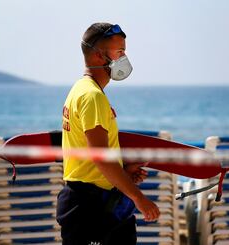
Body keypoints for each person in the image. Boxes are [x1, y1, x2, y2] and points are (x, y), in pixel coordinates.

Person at [57, 22, 160, 245]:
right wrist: (139, 198)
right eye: (120, 52)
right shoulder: (92, 96)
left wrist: (123, 173)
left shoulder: (82, 90)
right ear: (97, 55)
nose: (124, 58)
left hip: (99, 200)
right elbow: (101, 157)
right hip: (89, 207)